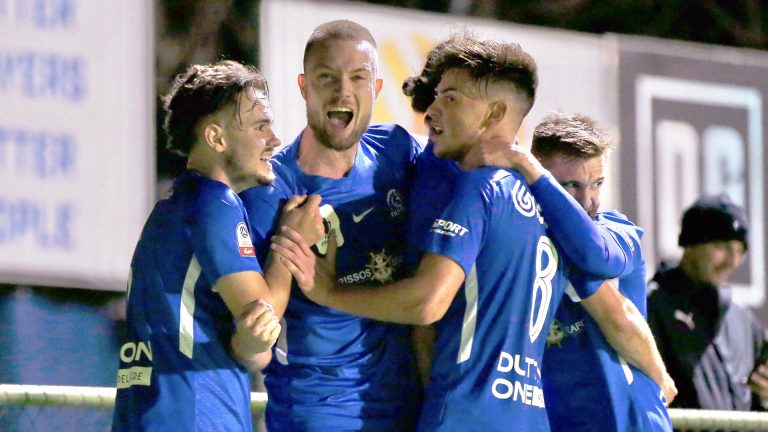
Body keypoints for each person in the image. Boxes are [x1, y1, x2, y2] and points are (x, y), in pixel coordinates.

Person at [276, 34, 673, 431]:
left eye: (450, 98)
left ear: (494, 113)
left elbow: (427, 306)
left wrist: (327, 292)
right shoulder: (548, 205)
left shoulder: (475, 188)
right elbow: (604, 275)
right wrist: (660, 374)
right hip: (529, 418)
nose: (433, 109)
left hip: (465, 413)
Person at [111, 60, 323, 431]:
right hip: (194, 415)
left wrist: (252, 339)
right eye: (260, 126)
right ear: (216, 138)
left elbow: (255, 343)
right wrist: (291, 241)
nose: (274, 139)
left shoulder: (175, 206)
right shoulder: (214, 203)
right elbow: (263, 313)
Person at [239, 20, 424, 431]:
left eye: (358, 78)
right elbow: (252, 337)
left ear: (376, 88)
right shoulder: (269, 190)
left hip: (406, 409)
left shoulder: (397, 151)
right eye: (327, 78)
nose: (343, 92)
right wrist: (288, 244)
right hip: (318, 411)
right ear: (304, 87)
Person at [482, 112, 673, 431]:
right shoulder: (521, 239)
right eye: (569, 185)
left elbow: (591, 254)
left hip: (630, 421)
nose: (587, 200)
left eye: (597, 184)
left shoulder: (618, 232)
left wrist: (527, 166)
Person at [647, 194, 768, 410]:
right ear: (690, 244)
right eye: (721, 246)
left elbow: (757, 404)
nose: (732, 261)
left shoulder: (745, 322)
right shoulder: (651, 307)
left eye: (739, 250)